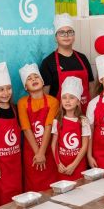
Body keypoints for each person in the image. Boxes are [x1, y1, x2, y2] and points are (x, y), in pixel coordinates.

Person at [40, 13, 94, 112]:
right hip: (58, 114)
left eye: (70, 32)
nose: (66, 35)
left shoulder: (82, 58)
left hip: (84, 113)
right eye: (62, 32)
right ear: (55, 37)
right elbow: (45, 95)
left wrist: (91, 111)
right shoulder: (48, 62)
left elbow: (91, 87)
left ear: (74, 36)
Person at [18, 63, 59, 191]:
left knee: (51, 186)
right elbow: (26, 129)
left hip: (49, 151)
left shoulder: (53, 101)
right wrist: (38, 154)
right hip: (31, 153)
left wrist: (42, 153)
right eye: (29, 79)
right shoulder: (22, 103)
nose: (34, 79)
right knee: (33, 187)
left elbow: (48, 126)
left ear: (42, 81)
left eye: (36, 77)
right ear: (25, 87)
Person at [0, 62, 22, 205]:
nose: (6, 93)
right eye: (1, 89)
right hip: (0, 165)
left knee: (18, 199)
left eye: (8, 88)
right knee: (3, 201)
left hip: (16, 164)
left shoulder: (16, 108)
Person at [51, 76, 90, 181]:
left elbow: (85, 145)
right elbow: (54, 144)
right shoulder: (57, 120)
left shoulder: (83, 121)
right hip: (62, 167)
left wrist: (74, 165)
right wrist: (58, 163)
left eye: (72, 97)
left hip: (78, 166)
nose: (67, 101)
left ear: (78, 101)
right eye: (64, 97)